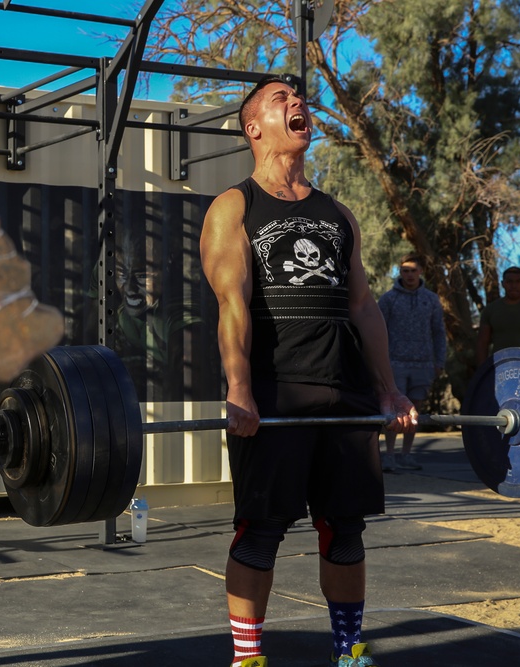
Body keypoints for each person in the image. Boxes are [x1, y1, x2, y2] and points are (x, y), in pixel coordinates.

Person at [200, 77, 416, 667]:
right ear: (254, 128)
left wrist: (388, 388)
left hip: (344, 392)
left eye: (299, 98)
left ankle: (349, 652)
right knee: (262, 529)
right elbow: (232, 303)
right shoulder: (234, 208)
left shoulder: (337, 212)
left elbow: (363, 306)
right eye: (280, 100)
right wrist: (240, 388)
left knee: (345, 529)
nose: (297, 103)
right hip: (273, 394)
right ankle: (248, 659)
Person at [376, 254, 446, 472]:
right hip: (394, 362)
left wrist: (439, 361)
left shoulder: (431, 299)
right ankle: (389, 456)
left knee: (415, 410)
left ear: (421, 272)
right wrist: (380, 363)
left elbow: (438, 332)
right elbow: (378, 332)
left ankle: (407, 454)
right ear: (400, 272)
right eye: (405, 271)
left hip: (423, 364)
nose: (409, 275)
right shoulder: (389, 299)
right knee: (394, 410)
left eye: (413, 270)